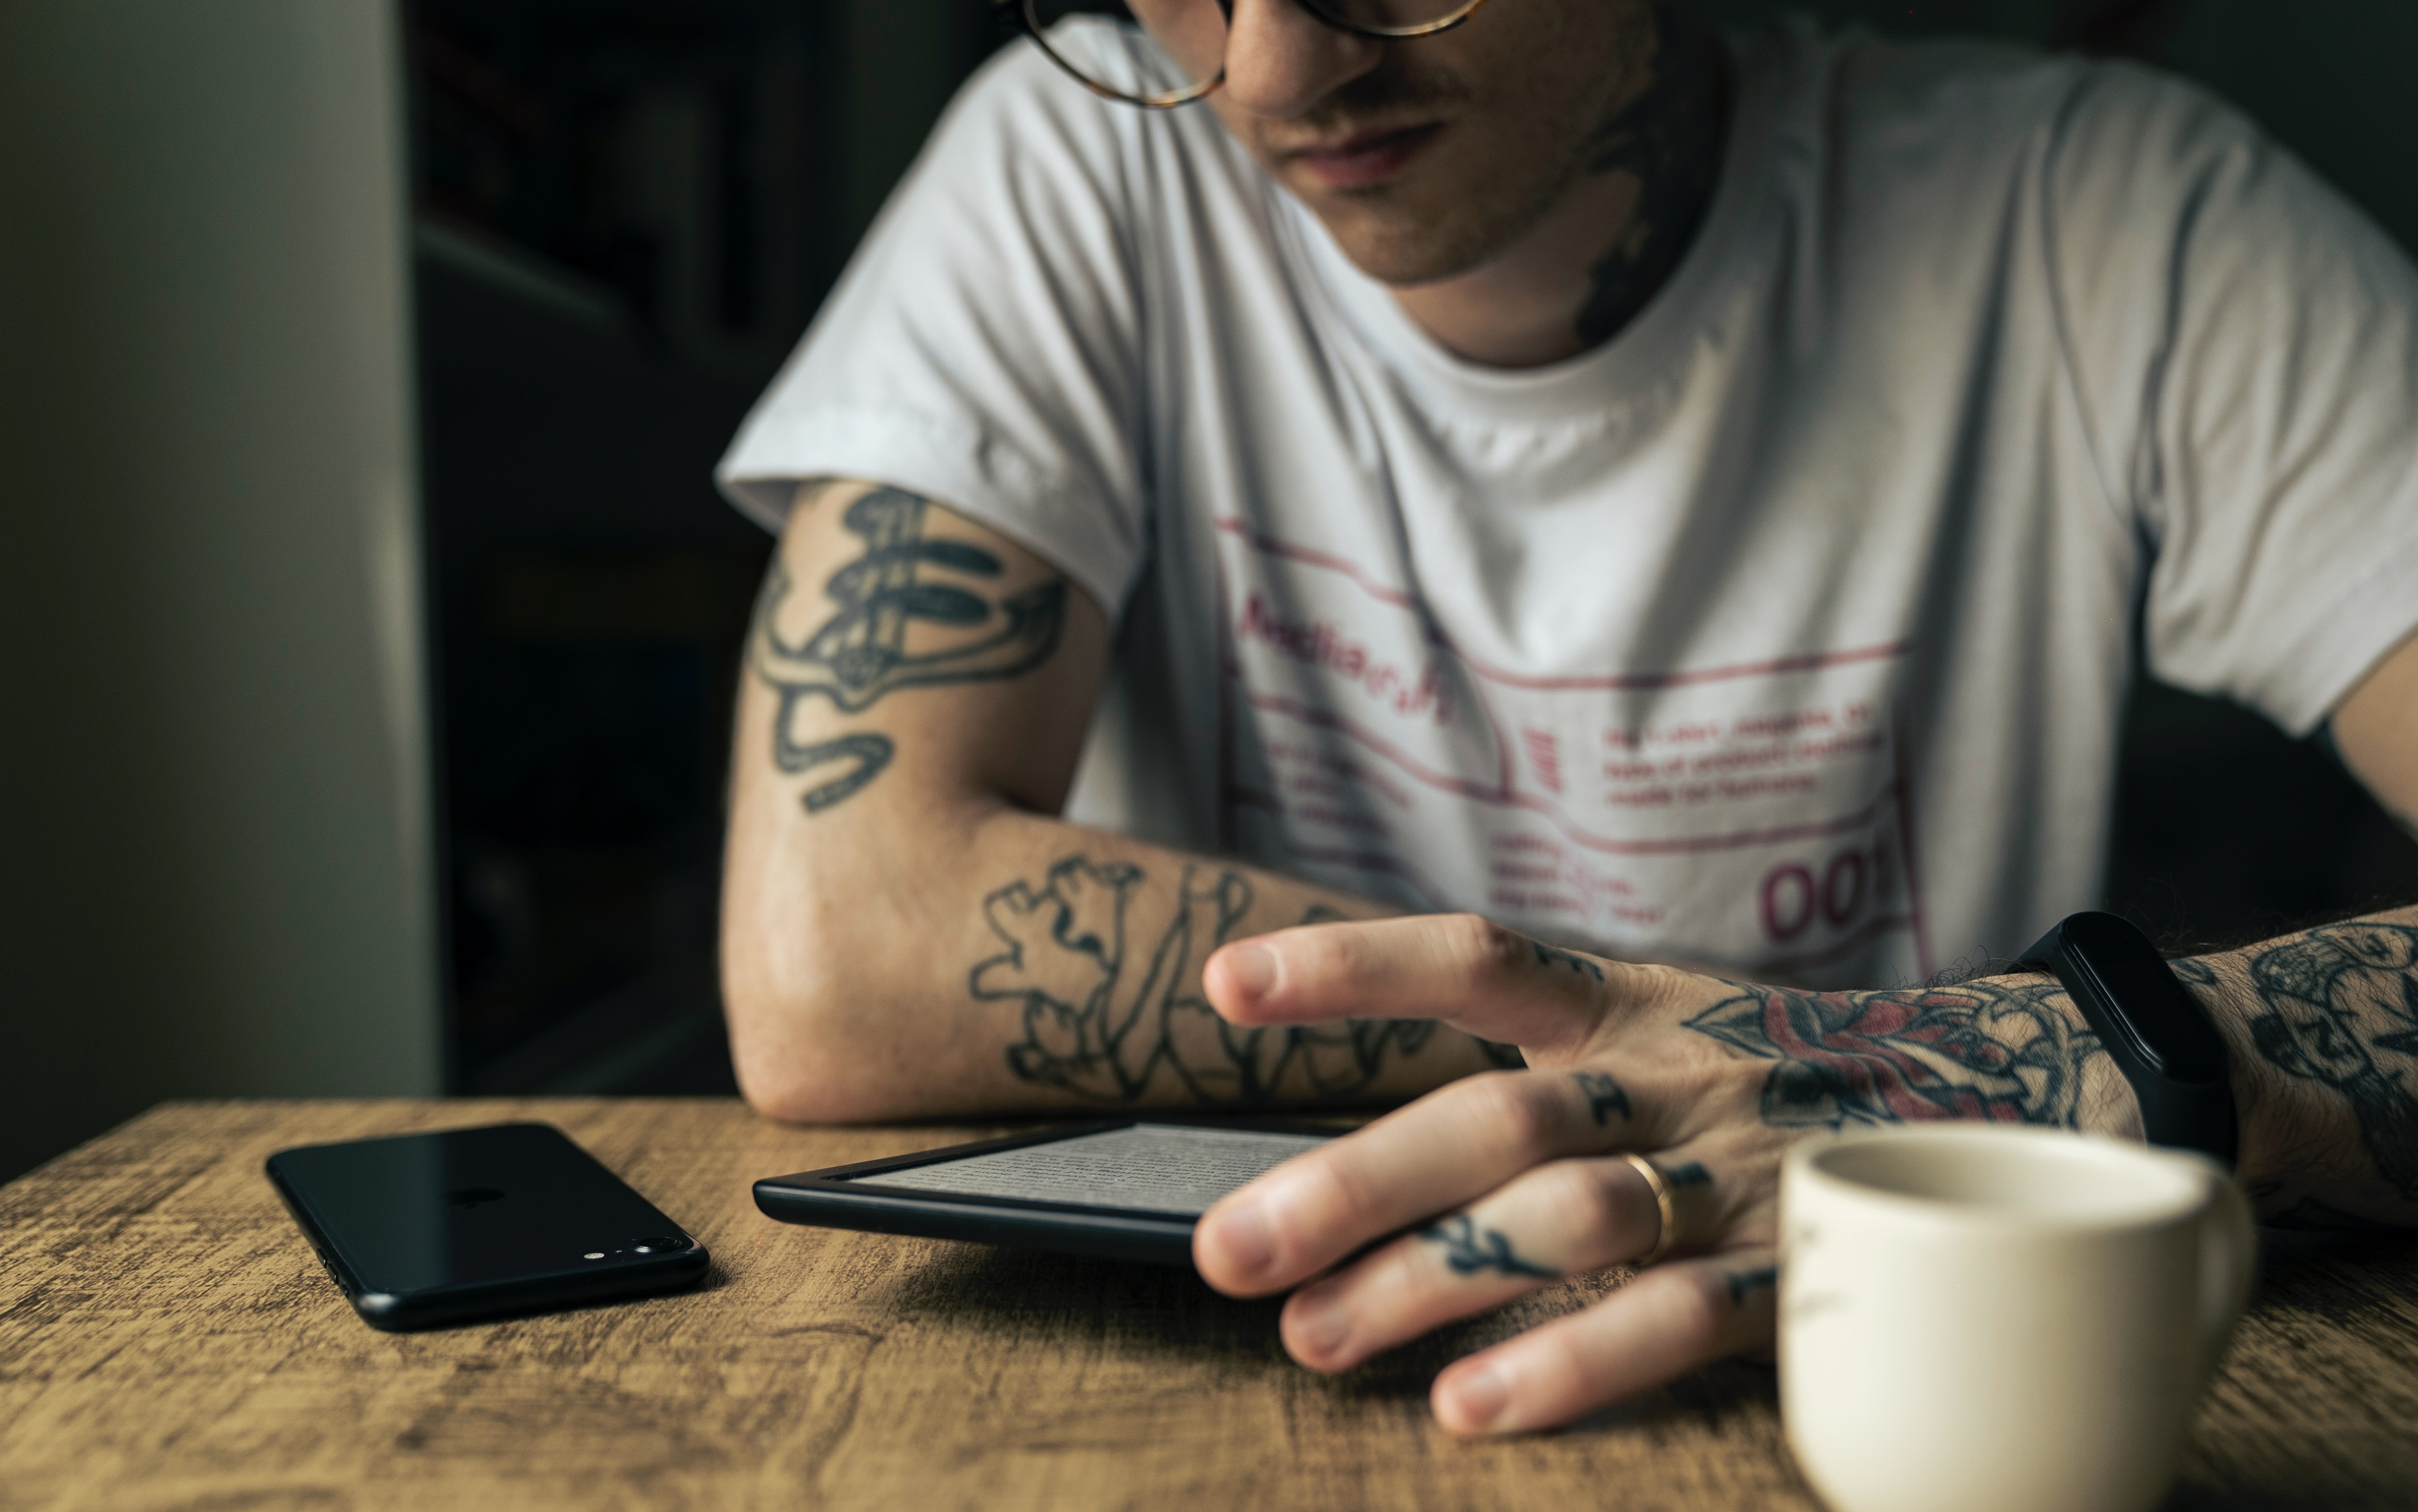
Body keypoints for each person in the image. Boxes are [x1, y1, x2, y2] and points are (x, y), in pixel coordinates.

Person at [714, 0, 2418, 1433]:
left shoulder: (2106, 215)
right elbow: (837, 953)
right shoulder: (1077, 172)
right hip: (1214, 1380)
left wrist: (2022, 1069)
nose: (1278, 70)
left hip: (1912, 1380)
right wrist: (1708, 1051)